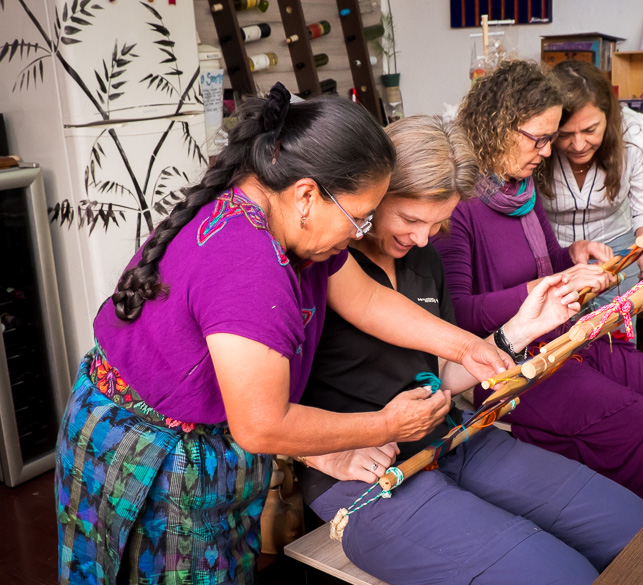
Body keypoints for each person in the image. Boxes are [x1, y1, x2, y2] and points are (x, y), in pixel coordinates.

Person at [54, 84, 512, 585]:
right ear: (307, 195)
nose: (361, 233)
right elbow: (261, 425)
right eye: (359, 217)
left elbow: (368, 300)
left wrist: (464, 345)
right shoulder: (249, 266)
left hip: (195, 436)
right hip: (155, 456)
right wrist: (385, 425)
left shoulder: (284, 217)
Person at [299, 115, 643, 585]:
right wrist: (323, 457)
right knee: (558, 575)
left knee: (635, 529)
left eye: (437, 223)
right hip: (361, 475)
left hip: (451, 440)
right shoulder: (320, 262)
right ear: (372, 192)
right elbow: (251, 409)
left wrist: (519, 330)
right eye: (409, 219)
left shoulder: (423, 257)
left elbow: (441, 373)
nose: (422, 238)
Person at [433, 60, 643, 507]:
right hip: (504, 360)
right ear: (498, 129)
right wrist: (548, 284)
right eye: (541, 139)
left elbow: (546, 260)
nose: (549, 152)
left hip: (563, 336)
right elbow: (460, 313)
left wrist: (573, 255)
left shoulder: (521, 191)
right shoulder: (461, 205)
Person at [539, 58, 643, 313]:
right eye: (564, 134)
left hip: (617, 252)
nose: (578, 144)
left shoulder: (636, 133)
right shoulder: (538, 138)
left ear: (609, 116)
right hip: (551, 253)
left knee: (614, 340)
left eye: (590, 130)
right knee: (556, 344)